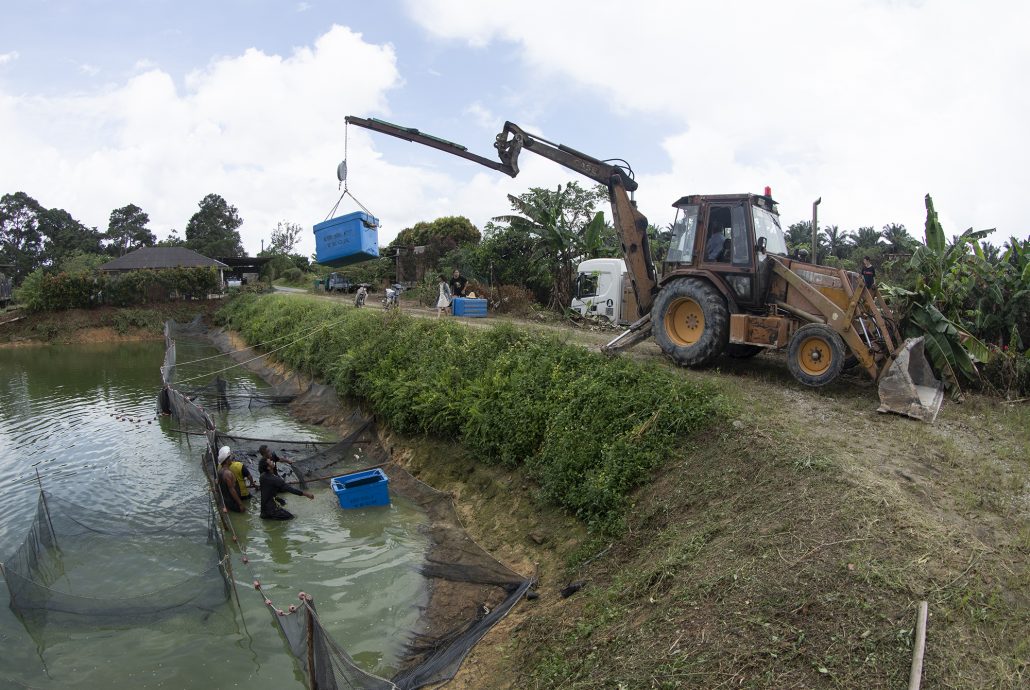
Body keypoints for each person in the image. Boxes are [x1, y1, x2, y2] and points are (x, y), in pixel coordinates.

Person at [259, 455, 313, 520]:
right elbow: (290, 489)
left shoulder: (262, 476)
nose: (272, 461)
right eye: (270, 461)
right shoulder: (276, 480)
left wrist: (279, 500)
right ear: (268, 467)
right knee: (293, 518)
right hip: (272, 511)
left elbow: (269, 492)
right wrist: (306, 494)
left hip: (263, 511)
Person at [217, 446, 246, 513]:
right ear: (227, 460)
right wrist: (240, 504)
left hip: (226, 502)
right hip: (233, 503)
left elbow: (218, 485)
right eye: (230, 458)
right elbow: (232, 490)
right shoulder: (228, 473)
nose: (231, 459)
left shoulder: (220, 471)